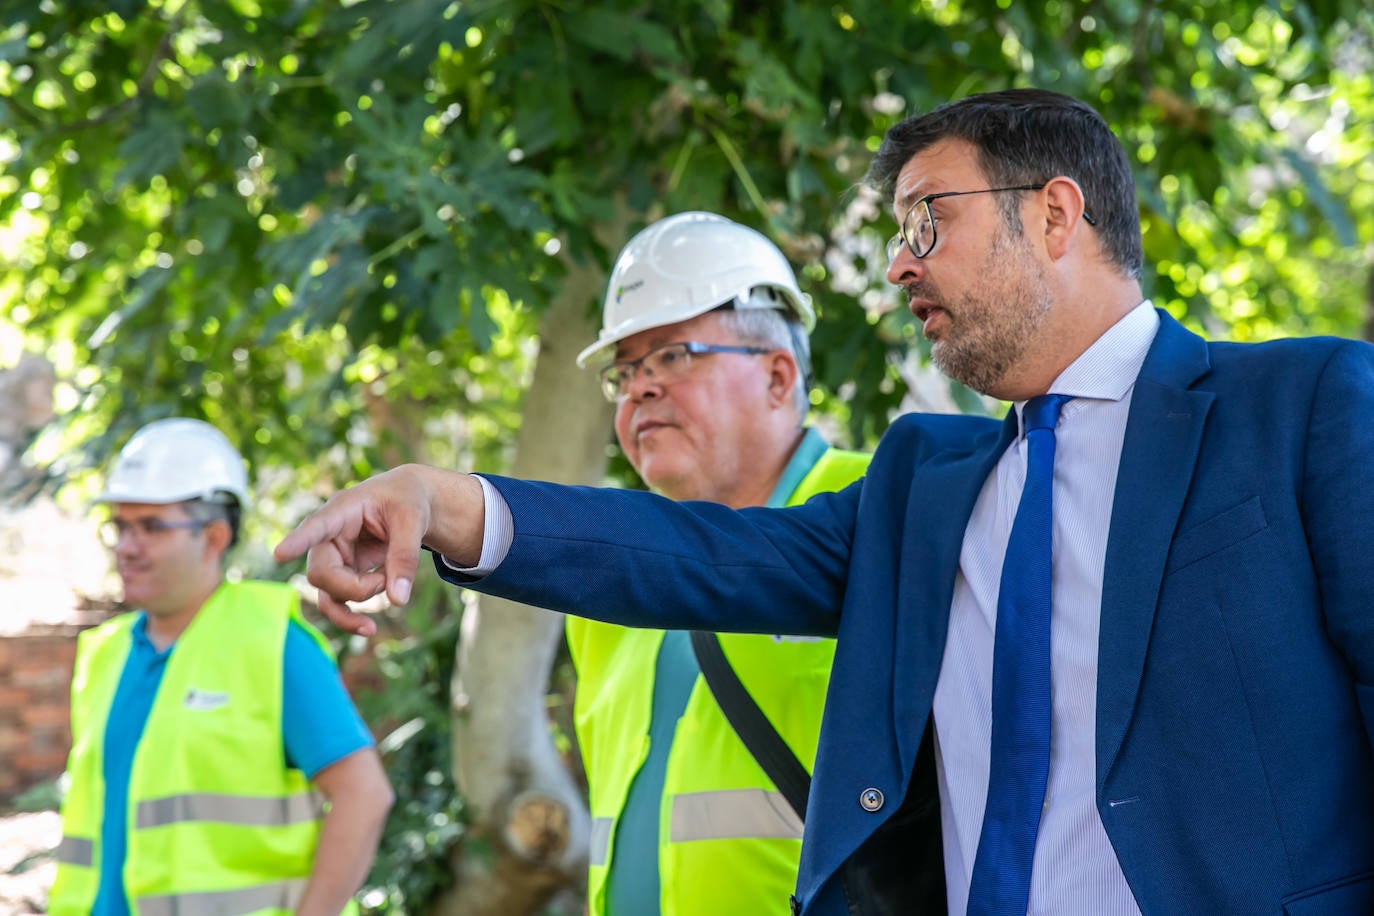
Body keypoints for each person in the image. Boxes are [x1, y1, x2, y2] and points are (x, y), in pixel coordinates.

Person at [275, 88, 1374, 916]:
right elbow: (699, 554)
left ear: (1054, 214)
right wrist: (441, 500)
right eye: (896, 235)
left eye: (926, 221)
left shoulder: (1301, 405)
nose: (900, 267)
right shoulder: (924, 487)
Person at [567, 212, 870, 914]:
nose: (640, 387)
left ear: (777, 377)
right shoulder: (604, 577)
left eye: (673, 355)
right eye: (626, 370)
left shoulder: (879, 512)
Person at [51, 418, 393, 916]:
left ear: (214, 537)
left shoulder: (273, 642)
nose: (126, 546)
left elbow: (363, 794)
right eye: (120, 526)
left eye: (151, 527)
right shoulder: (106, 652)